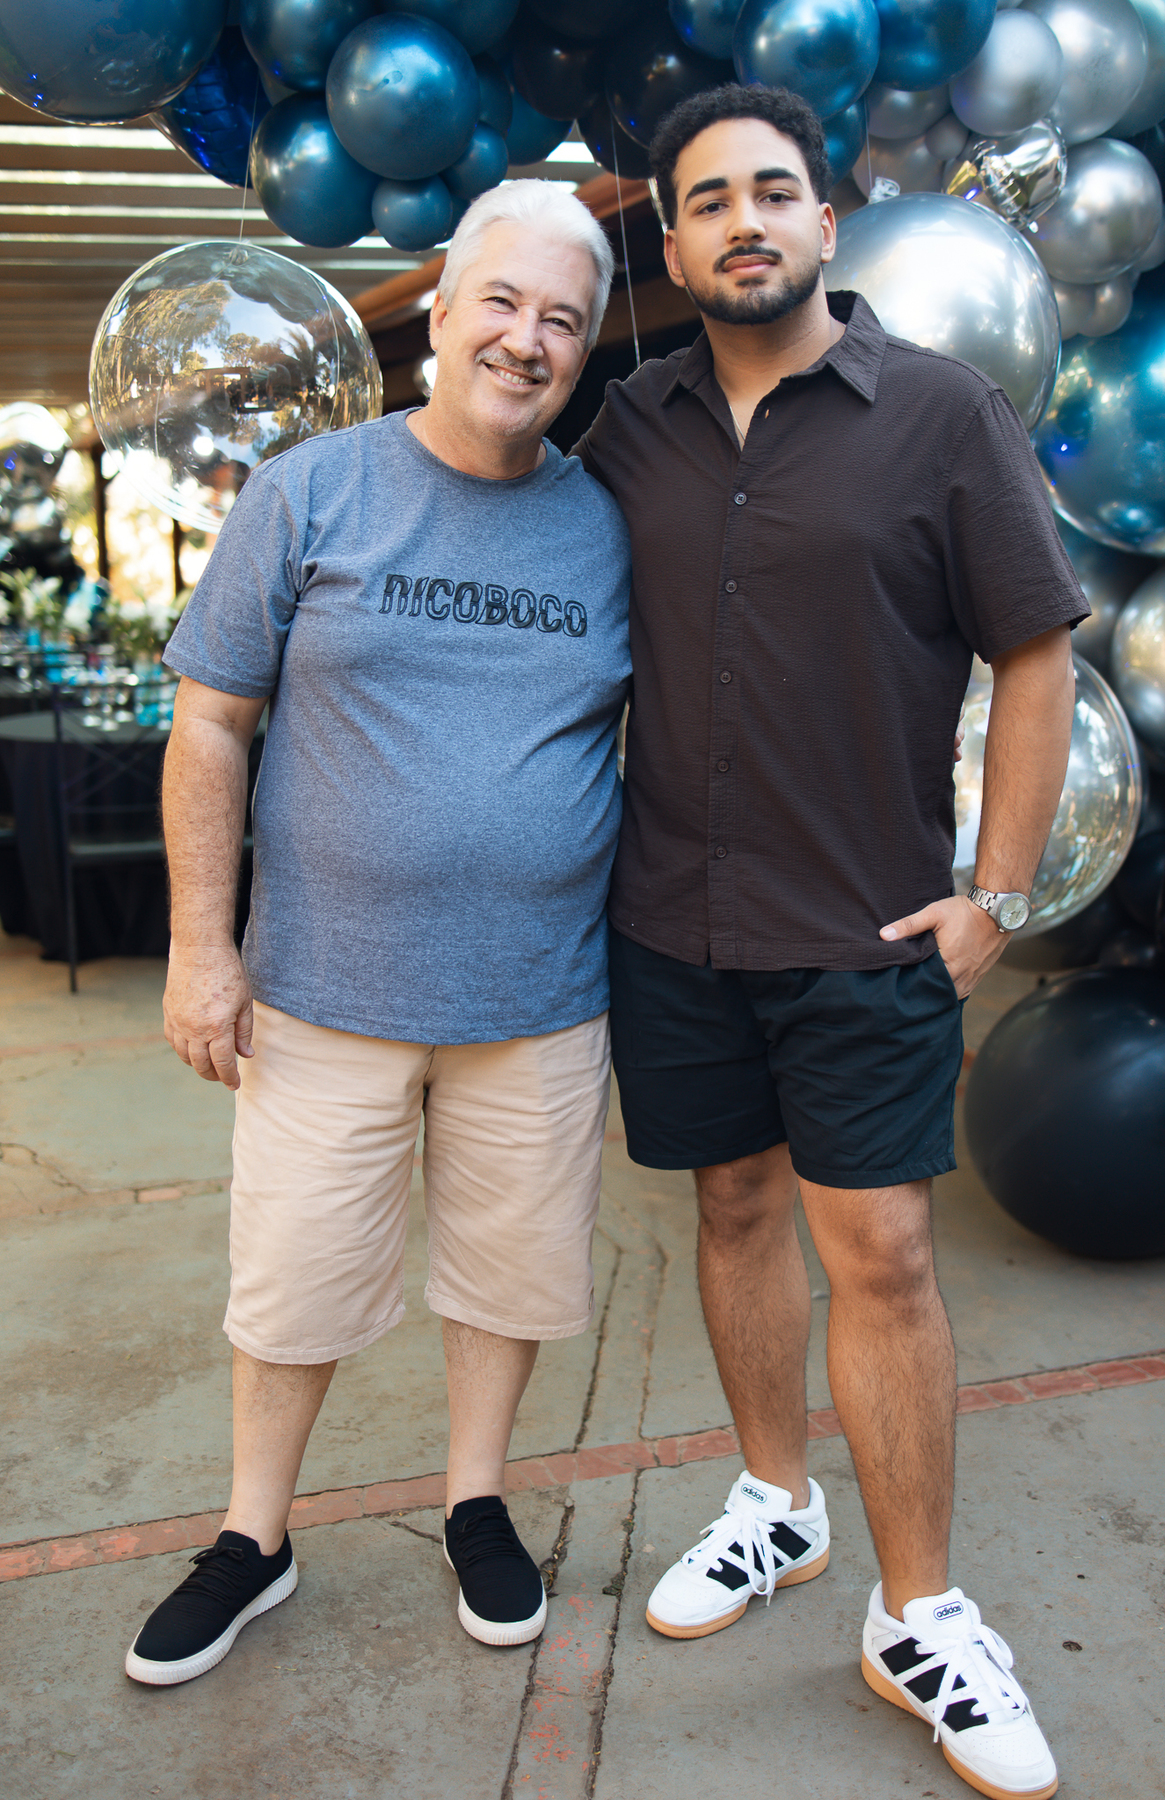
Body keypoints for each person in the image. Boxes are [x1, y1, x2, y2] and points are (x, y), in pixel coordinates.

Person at [573, 86, 1083, 1800]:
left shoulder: (940, 412)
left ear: (827, 220)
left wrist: (995, 892)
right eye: (710, 199)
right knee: (730, 1210)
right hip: (673, 919)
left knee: (883, 1260)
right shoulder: (628, 429)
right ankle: (775, 1501)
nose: (746, 220)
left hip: (869, 927)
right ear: (672, 243)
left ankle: (918, 1612)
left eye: (774, 190)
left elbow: (1035, 651)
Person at [123, 180, 631, 1686]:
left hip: (540, 992)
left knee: (510, 1275)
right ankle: (254, 1535)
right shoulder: (311, 491)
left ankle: (477, 1502)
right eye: (503, 302)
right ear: (441, 312)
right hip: (321, 988)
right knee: (290, 1286)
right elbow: (210, 726)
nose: (527, 340)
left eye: (563, 320)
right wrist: (199, 947)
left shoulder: (609, 527)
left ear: (586, 349)